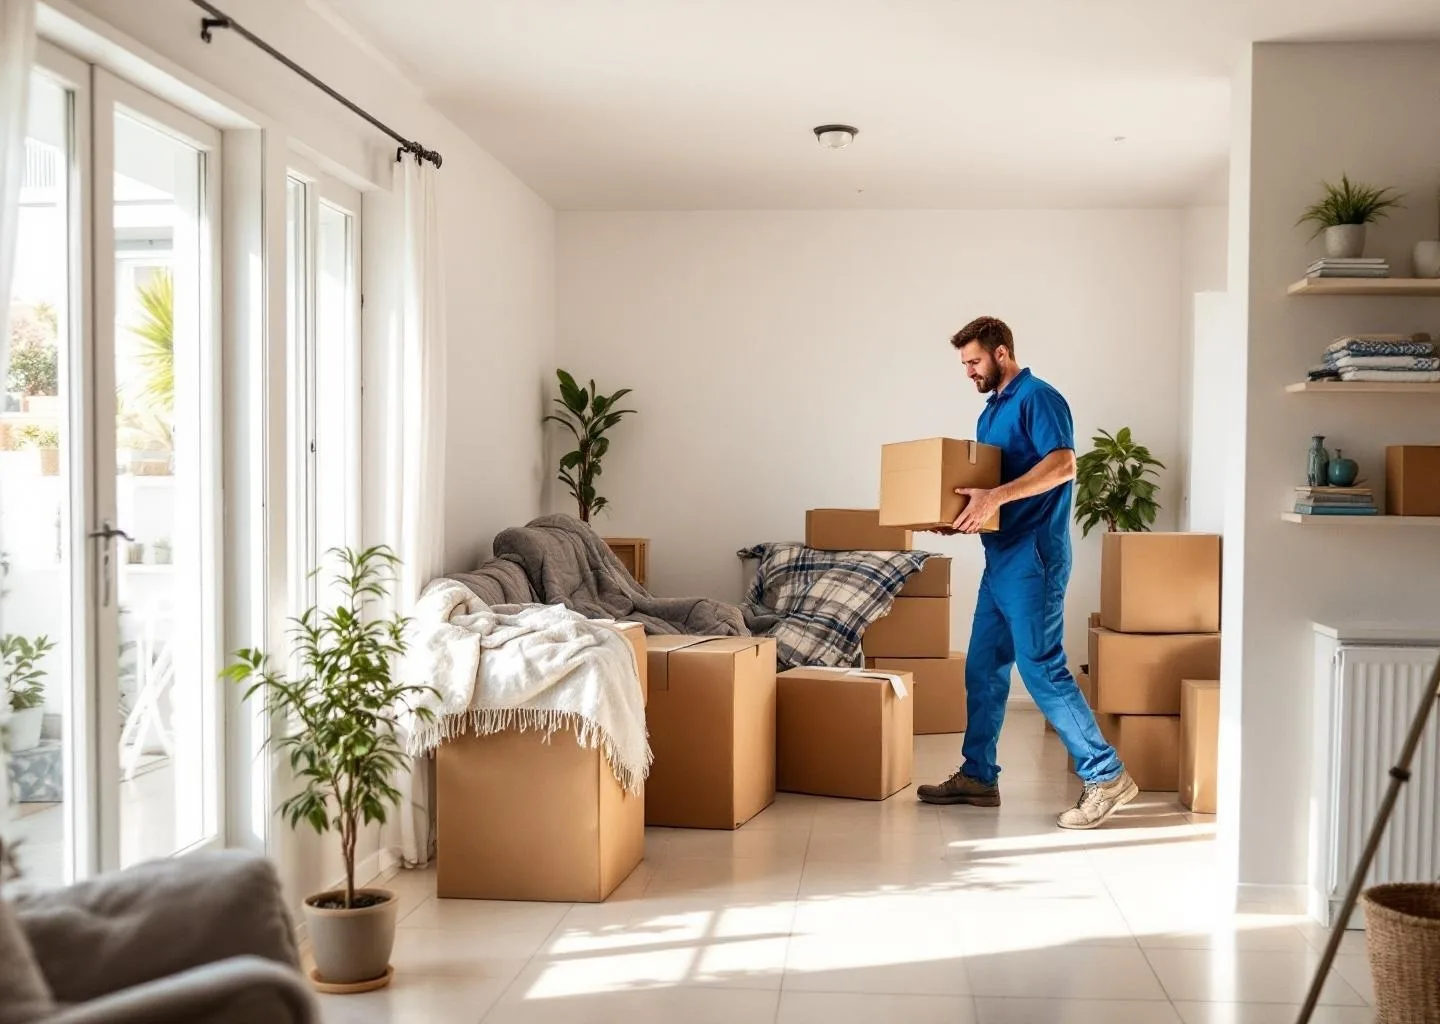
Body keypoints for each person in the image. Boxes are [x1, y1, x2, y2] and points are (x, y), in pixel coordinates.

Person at [916, 316, 1137, 829]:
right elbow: (997, 485)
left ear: (1001, 352)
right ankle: (979, 775)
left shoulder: (1039, 397)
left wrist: (996, 497)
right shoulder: (991, 412)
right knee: (983, 666)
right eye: (964, 364)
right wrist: (968, 517)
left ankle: (1106, 775)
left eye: (973, 361)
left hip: (1033, 557)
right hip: (1000, 556)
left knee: (1040, 667)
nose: (968, 371)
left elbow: (1063, 466)